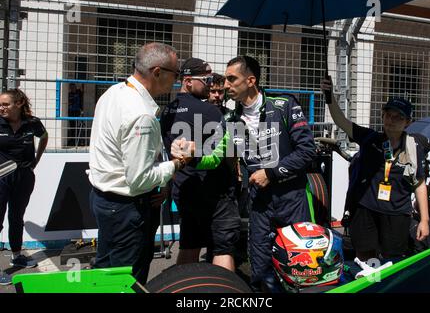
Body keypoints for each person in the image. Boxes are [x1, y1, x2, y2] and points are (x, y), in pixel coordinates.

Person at [88, 42, 193, 285]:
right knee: (127, 281)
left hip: (105, 199)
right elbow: (139, 179)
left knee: (106, 275)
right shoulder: (141, 114)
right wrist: (177, 164)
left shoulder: (114, 92)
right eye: (175, 74)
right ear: (157, 72)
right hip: (127, 207)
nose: (177, 82)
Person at [224, 56, 317, 292]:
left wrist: (272, 173)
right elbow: (222, 151)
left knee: (300, 266)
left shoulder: (284, 105)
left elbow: (307, 151)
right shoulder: (232, 118)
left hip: (291, 197)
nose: (226, 85)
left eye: (231, 79)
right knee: (260, 267)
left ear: (251, 80)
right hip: (259, 201)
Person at [321, 77, 429, 263]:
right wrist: (329, 95)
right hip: (365, 211)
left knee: (391, 263)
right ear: (382, 116)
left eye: (398, 117)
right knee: (365, 260)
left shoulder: (414, 147)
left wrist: (425, 221)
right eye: (388, 115)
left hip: (396, 215)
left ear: (408, 122)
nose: (392, 120)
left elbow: (419, 185)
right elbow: (340, 121)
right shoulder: (370, 138)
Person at [160, 58, 241, 272]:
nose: (211, 85)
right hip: (215, 191)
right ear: (187, 81)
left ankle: (185, 290)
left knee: (189, 244)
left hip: (184, 187)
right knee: (223, 249)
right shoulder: (211, 113)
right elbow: (224, 155)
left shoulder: (167, 110)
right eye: (205, 79)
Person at [0, 89, 48, 284]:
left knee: (16, 217)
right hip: (2, 178)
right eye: (0, 104)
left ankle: (17, 255)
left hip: (24, 177)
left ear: (18, 104)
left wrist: (36, 159)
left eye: (5, 104)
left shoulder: (32, 122)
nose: (1, 107)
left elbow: (44, 137)